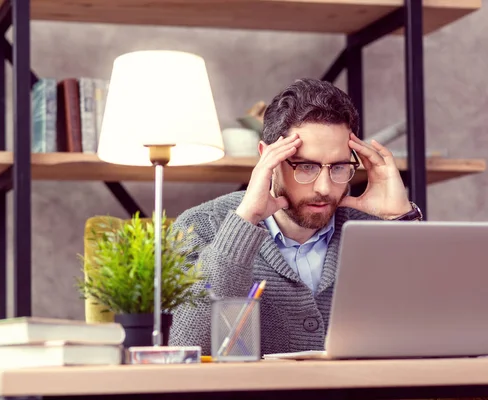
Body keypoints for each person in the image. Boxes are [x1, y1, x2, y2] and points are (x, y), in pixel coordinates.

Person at [168, 78, 422, 356]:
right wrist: (243, 224)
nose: (324, 188)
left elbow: (429, 331)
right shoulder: (200, 226)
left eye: (338, 167)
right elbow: (189, 349)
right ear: (269, 158)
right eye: (305, 166)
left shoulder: (374, 229)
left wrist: (400, 220)